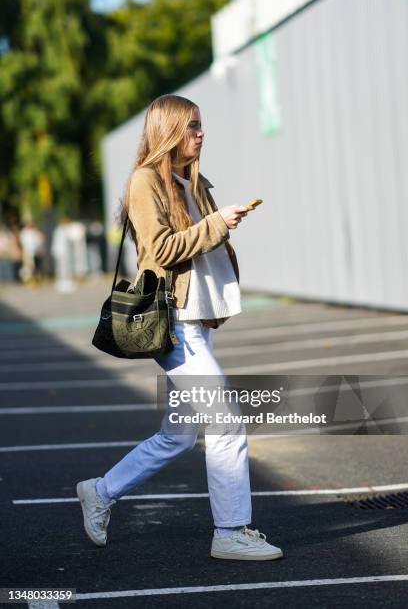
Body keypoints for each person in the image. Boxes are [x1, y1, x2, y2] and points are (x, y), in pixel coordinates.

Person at [76, 94, 283, 561]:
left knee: (179, 435)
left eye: (201, 124)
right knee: (227, 422)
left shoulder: (192, 180)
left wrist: (219, 227)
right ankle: (230, 532)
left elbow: (200, 255)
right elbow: (161, 250)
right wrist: (218, 223)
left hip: (196, 322)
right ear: (168, 129)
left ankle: (101, 491)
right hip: (173, 328)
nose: (200, 133)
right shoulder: (144, 181)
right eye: (191, 125)